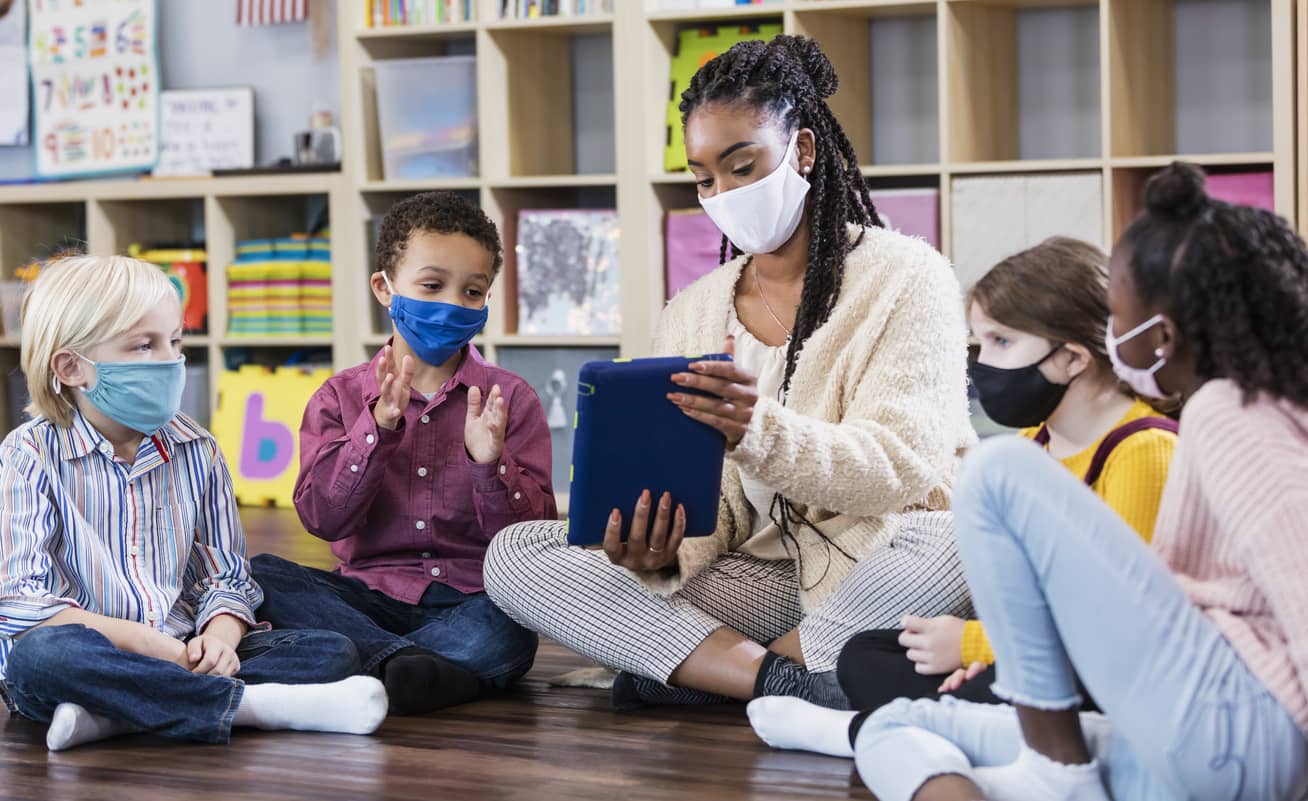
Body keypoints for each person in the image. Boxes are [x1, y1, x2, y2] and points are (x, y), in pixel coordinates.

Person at [759, 162, 1308, 801]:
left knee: (994, 473)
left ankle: (1053, 773)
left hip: (1238, 727)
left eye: (1117, 317)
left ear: (1161, 337)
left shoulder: (1226, 414)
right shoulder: (1262, 403)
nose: (1109, 335)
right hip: (1214, 733)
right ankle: (874, 735)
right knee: (902, 725)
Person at [483, 34, 975, 711]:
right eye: (706, 178)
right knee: (515, 554)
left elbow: (902, 467)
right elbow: (717, 512)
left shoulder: (906, 276)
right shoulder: (692, 312)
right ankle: (785, 683)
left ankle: (692, 667)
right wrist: (657, 551)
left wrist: (757, 430)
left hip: (885, 554)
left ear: (802, 150)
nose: (723, 193)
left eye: (743, 167)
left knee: (955, 539)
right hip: (761, 573)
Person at [751, 237, 1177, 755]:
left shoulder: (1142, 451)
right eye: (978, 342)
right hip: (1034, 651)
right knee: (865, 655)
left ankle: (877, 733)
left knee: (1033, 681)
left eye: (1001, 342)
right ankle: (956, 726)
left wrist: (974, 646)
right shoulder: (1029, 448)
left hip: (1108, 664)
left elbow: (1117, 625)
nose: (981, 364)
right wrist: (983, 652)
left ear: (1071, 357)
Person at [0, 256, 386, 751]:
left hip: (183, 650)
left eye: (175, 342)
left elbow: (227, 576)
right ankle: (256, 709)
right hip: (92, 652)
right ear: (72, 367)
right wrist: (144, 644)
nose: (170, 360)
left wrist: (220, 640)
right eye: (145, 345)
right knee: (44, 658)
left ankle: (114, 715)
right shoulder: (28, 453)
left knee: (330, 652)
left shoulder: (196, 448)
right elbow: (20, 602)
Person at [251, 191, 554, 716]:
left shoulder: (511, 399)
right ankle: (416, 670)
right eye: (432, 285)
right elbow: (323, 519)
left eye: (473, 291)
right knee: (261, 575)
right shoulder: (339, 397)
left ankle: (370, 666)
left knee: (508, 630)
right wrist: (376, 431)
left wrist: (490, 465)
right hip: (365, 598)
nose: (452, 305)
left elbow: (533, 540)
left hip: (470, 601)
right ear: (384, 288)